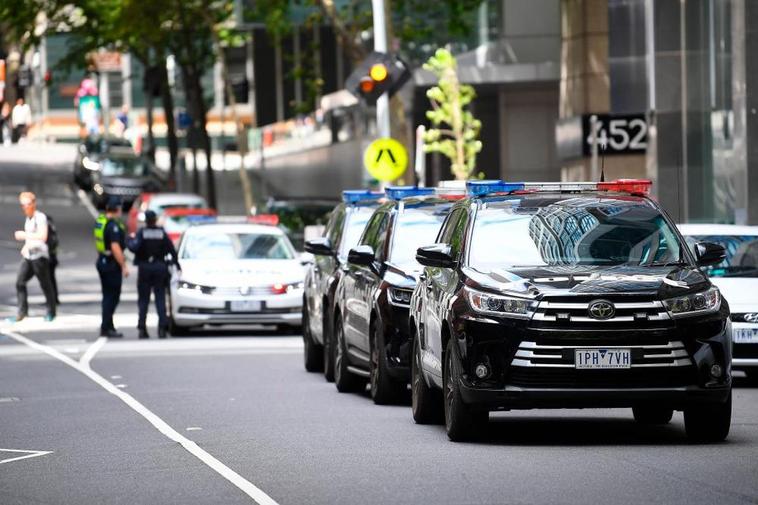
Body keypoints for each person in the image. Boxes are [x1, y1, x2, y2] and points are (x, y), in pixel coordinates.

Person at [127, 210, 179, 338]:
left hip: (145, 268)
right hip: (160, 268)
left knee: (143, 300)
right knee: (160, 298)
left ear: (145, 221)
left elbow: (134, 248)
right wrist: (176, 264)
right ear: (155, 220)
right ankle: (162, 329)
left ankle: (142, 329)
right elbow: (171, 249)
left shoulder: (142, 233)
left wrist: (128, 239)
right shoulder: (161, 233)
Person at [9, 192, 56, 322]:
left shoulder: (40, 217)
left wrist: (24, 236)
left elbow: (42, 236)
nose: (25, 207)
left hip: (40, 256)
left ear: (33, 204)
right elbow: (32, 237)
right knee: (20, 282)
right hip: (29, 256)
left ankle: (51, 312)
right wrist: (26, 246)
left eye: (28, 204)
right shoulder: (28, 219)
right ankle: (22, 312)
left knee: (45, 284)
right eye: (23, 205)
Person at [95, 197, 129, 337]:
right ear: (117, 209)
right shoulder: (113, 226)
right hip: (111, 265)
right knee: (112, 297)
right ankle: (106, 327)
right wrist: (124, 265)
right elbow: (115, 247)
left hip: (102, 261)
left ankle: (109, 324)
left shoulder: (101, 221)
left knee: (107, 295)